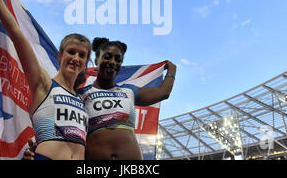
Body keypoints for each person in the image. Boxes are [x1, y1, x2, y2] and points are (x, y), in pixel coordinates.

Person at [0, 0, 92, 160]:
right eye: (71, 52)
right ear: (60, 56)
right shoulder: (43, 82)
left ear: (85, 64)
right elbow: (18, 37)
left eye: (82, 55)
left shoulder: (82, 100)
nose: (76, 58)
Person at [23, 37, 176, 160]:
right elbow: (57, 118)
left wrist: (172, 70)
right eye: (107, 57)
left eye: (118, 59)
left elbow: (163, 93)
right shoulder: (80, 94)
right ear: (96, 60)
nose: (112, 62)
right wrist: (39, 147)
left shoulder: (129, 91)